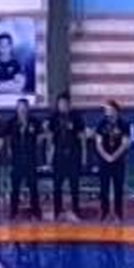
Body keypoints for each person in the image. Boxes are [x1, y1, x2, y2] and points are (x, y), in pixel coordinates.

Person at [46, 93, 87, 222]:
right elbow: (50, 139)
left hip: (73, 155)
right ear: (57, 105)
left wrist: (84, 156)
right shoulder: (53, 118)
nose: (63, 106)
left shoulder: (76, 118)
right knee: (57, 185)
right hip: (58, 155)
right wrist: (49, 157)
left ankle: (76, 211)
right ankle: (57, 212)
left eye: (65, 103)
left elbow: (82, 138)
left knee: (74, 185)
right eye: (60, 103)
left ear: (69, 104)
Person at [94, 100, 131, 221]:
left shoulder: (124, 124)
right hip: (104, 160)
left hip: (119, 160)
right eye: (106, 110)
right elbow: (98, 143)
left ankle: (118, 214)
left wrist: (114, 157)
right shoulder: (101, 124)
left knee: (118, 188)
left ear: (116, 110)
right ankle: (104, 213)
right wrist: (106, 156)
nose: (107, 112)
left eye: (109, 109)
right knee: (104, 188)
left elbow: (125, 143)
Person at [6, 98, 43, 220]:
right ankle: (13, 211)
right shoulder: (11, 122)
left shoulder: (35, 122)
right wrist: (9, 151)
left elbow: (40, 137)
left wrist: (34, 146)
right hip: (17, 158)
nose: (22, 110)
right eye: (20, 107)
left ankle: (36, 211)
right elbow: (7, 139)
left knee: (33, 186)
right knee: (15, 187)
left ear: (28, 108)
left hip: (30, 158)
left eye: (24, 107)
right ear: (16, 109)